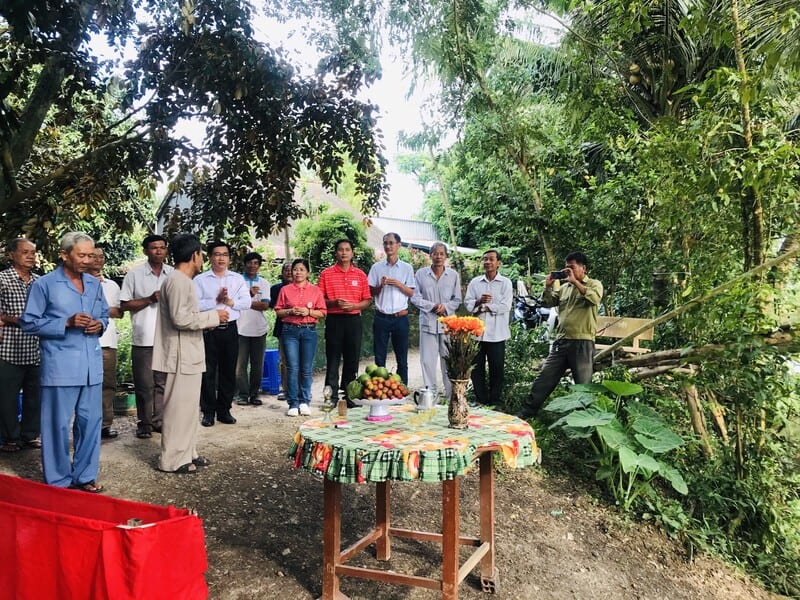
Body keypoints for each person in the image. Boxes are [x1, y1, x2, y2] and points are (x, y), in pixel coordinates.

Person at [20, 232, 108, 492]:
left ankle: (85, 476)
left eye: (90, 255)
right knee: (56, 426)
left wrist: (100, 324)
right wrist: (65, 323)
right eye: (81, 255)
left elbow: (104, 314)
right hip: (60, 367)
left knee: (90, 423)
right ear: (64, 255)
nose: (87, 260)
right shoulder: (44, 285)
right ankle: (58, 481)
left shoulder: (94, 284)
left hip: (92, 367)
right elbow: (28, 323)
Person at [152, 234, 227, 474]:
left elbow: (187, 318)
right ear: (195, 255)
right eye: (202, 254)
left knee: (189, 408)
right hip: (180, 355)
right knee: (178, 409)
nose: (202, 259)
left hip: (189, 353)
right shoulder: (177, 281)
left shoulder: (183, 280)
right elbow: (180, 319)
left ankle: (188, 452)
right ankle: (172, 460)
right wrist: (214, 317)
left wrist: (208, 321)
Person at [516, 252, 603, 419]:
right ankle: (527, 412)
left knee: (583, 386)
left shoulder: (594, 284)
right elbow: (547, 302)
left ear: (583, 268)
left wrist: (575, 282)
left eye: (572, 267)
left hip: (582, 342)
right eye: (566, 267)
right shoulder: (564, 288)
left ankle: (585, 422)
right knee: (544, 378)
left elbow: (594, 299)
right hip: (561, 341)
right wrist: (548, 287)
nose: (567, 271)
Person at [120, 234, 173, 439]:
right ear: (145, 251)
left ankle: (159, 421)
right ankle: (144, 423)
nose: (158, 251)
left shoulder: (173, 274)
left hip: (167, 337)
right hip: (143, 337)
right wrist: (150, 299)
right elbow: (124, 304)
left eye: (162, 247)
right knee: (144, 384)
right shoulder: (134, 275)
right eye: (154, 248)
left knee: (163, 383)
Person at [194, 240, 251, 427]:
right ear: (210, 257)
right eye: (217, 254)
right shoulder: (200, 280)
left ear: (229, 258)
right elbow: (194, 304)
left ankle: (224, 410)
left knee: (228, 370)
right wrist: (215, 301)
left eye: (225, 254)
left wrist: (230, 302)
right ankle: (208, 412)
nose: (221, 258)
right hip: (209, 330)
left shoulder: (237, 279)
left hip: (230, 329)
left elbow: (247, 302)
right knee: (208, 372)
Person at [317, 239, 371, 405]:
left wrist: (354, 306)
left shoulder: (360, 275)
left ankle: (350, 395)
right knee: (333, 358)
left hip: (353, 320)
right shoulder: (326, 274)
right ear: (336, 253)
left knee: (352, 359)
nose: (344, 253)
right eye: (341, 249)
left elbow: (367, 300)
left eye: (347, 249)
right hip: (334, 320)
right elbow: (319, 299)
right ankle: (331, 396)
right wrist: (334, 303)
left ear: (352, 253)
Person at [0, 238, 41, 452]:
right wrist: (13, 319)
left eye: (33, 252)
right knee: (7, 397)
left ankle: (30, 435)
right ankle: (10, 438)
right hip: (8, 347)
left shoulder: (40, 282)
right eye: (25, 252)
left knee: (35, 396)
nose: (30, 256)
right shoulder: (2, 279)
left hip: (36, 348)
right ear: (11, 255)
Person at [274, 258, 326, 417]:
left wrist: (308, 312)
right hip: (290, 331)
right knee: (292, 367)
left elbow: (322, 312)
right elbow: (278, 311)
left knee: (306, 369)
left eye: (302, 269)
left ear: (308, 273)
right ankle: (293, 403)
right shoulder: (285, 290)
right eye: (295, 269)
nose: (298, 272)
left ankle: (305, 401)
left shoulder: (316, 291)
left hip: (309, 330)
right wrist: (290, 311)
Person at [411, 242, 462, 397]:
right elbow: (415, 297)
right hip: (428, 322)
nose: (438, 256)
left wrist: (445, 307)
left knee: (448, 360)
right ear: (430, 255)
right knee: (427, 360)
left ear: (446, 256)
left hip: (448, 324)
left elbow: (457, 299)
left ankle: (451, 395)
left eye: (441, 253)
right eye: (435, 253)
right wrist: (432, 306)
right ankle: (430, 395)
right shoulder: (421, 274)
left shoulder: (453, 275)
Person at [464, 249, 513, 407]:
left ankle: (495, 401)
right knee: (476, 369)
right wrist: (479, 302)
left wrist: (486, 307)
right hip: (477, 334)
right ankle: (481, 400)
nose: (487, 262)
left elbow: (505, 306)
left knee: (496, 369)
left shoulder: (505, 283)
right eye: (485, 259)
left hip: (497, 334)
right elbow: (468, 304)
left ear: (498, 263)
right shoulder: (475, 282)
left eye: (491, 259)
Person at [367, 232, 415, 384]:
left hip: (400, 318)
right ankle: (380, 389)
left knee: (402, 357)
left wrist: (399, 284)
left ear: (398, 245)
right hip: (381, 317)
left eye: (391, 243)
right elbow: (370, 292)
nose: (388, 246)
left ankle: (402, 389)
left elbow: (411, 293)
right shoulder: (376, 268)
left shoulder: (407, 268)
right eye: (385, 243)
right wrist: (380, 286)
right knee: (379, 357)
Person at [89, 246, 122, 440]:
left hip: (107, 341)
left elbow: (119, 312)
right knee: (85, 384)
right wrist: (105, 310)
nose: (98, 260)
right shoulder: (78, 282)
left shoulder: (112, 285)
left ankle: (105, 425)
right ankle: (86, 424)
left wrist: (98, 310)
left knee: (107, 384)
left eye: (101, 256)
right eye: (93, 256)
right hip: (84, 340)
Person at [235, 252, 270, 407]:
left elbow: (265, 305)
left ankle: (254, 394)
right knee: (239, 366)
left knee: (257, 365)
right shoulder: (237, 281)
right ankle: (243, 395)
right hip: (239, 329)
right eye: (249, 262)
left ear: (259, 265)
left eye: (256, 263)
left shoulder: (264, 283)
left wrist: (244, 302)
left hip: (259, 329)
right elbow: (232, 303)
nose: (252, 266)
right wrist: (249, 296)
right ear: (245, 264)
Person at [269, 262, 293, 400]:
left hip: (301, 327)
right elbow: (274, 307)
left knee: (299, 360)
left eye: (291, 269)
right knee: (284, 359)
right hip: (283, 327)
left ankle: (299, 388)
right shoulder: (276, 289)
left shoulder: (303, 287)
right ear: (282, 272)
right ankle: (285, 388)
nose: (289, 272)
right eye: (286, 270)